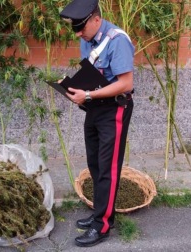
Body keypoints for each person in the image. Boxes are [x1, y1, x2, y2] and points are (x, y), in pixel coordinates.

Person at [60, 0, 135, 247]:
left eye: (81, 28)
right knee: (94, 164)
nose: (79, 34)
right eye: (75, 30)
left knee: (107, 168)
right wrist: (74, 89)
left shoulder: (117, 40)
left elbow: (126, 84)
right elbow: (94, 76)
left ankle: (102, 225)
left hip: (114, 109)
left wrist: (88, 95)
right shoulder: (87, 38)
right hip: (94, 108)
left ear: (95, 19)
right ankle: (99, 213)